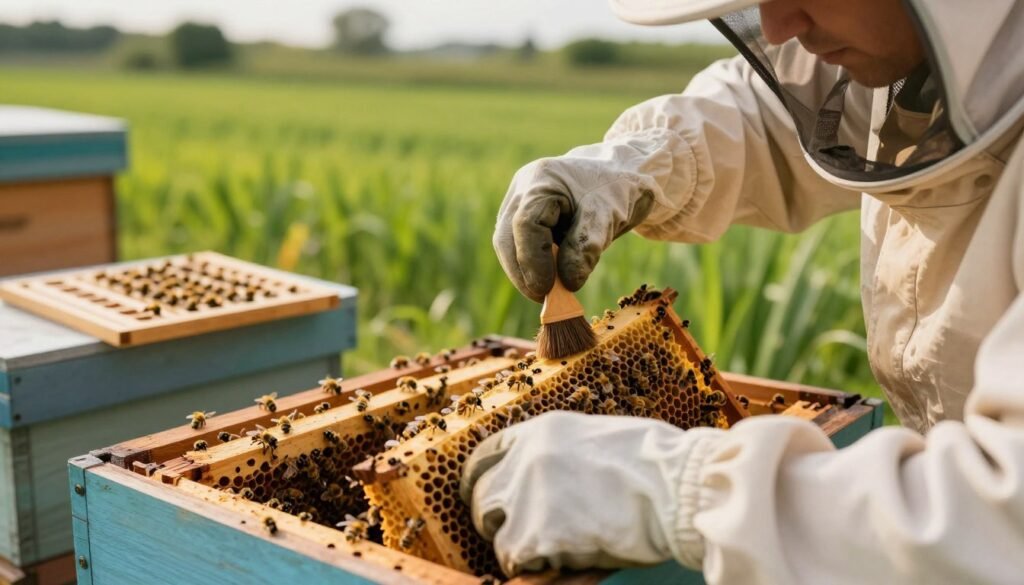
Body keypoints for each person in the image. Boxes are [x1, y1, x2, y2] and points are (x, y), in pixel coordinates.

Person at [459, 0, 1024, 583]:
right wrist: (632, 167)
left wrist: (679, 492)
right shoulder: (921, 50)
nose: (777, 26)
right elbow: (787, 110)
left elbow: (1002, 525)